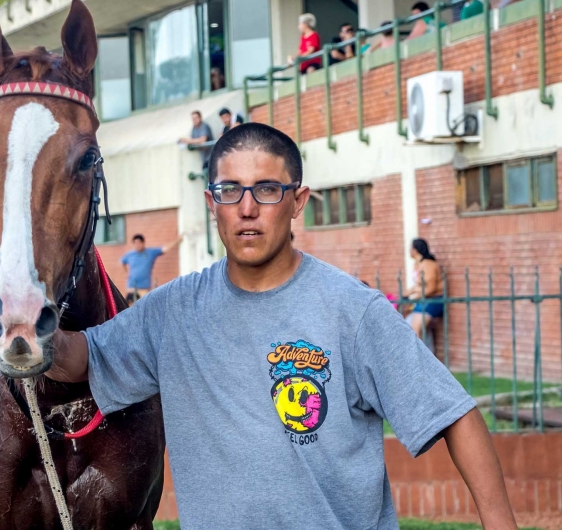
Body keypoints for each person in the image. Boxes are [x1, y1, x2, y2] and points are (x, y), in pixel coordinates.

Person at [48, 123, 517, 529]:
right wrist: (25, 325)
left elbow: (454, 415)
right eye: (230, 190)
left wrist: (499, 523)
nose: (247, 207)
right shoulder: (171, 312)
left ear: (298, 201)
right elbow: (81, 358)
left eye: (267, 189)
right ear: (213, 203)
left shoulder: (352, 311)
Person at [404, 238, 444, 338]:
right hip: (423, 300)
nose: (409, 251)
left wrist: (415, 296)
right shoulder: (418, 264)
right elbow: (418, 285)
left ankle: (418, 353)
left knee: (415, 329)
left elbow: (431, 288)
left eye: (410, 248)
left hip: (433, 300)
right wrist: (407, 293)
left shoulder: (428, 264)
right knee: (409, 327)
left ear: (415, 250)